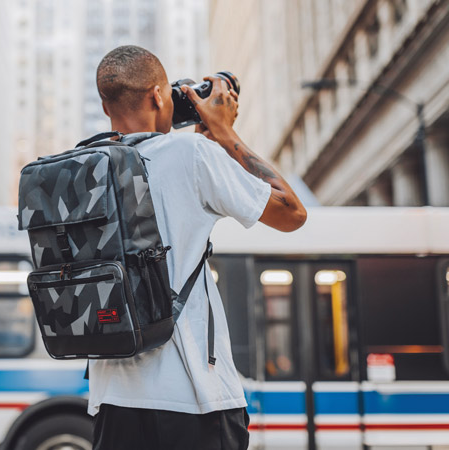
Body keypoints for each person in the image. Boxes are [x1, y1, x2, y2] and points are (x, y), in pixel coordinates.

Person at [87, 45, 308, 450]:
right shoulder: (193, 153)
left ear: (106, 107)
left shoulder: (87, 163)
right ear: (158, 95)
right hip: (191, 399)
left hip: (111, 402)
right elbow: (291, 213)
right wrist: (223, 132)